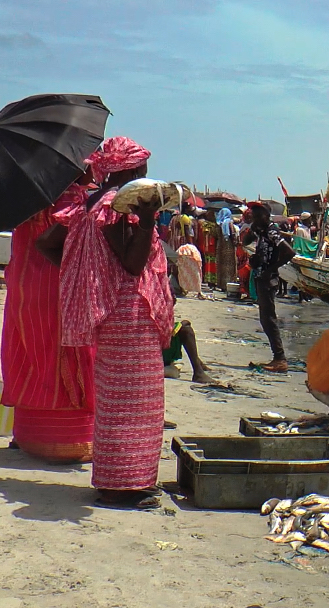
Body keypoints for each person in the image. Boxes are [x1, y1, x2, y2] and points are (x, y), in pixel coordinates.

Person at [58, 137, 174, 509]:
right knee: (136, 401)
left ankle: (119, 480)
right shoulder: (116, 206)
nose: (145, 175)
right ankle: (124, 485)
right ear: (129, 171)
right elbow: (132, 263)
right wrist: (149, 219)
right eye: (141, 169)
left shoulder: (94, 202)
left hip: (116, 311)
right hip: (128, 311)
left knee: (116, 399)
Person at [2, 179, 96, 464]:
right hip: (56, 282)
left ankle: (27, 434)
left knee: (28, 353)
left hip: (23, 281)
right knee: (65, 355)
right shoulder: (71, 196)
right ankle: (71, 439)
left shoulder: (22, 192)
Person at [242, 201, 294, 373]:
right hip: (261, 277)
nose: (255, 218)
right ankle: (278, 357)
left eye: (258, 215)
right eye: (253, 215)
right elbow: (245, 241)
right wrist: (253, 227)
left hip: (268, 279)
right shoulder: (261, 230)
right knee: (265, 319)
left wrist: (270, 270)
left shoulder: (272, 231)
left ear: (266, 215)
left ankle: (280, 359)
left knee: (269, 319)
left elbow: (289, 252)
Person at [215, 207, 238, 290]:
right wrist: (235, 241)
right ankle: (229, 283)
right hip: (229, 247)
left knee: (221, 265)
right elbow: (232, 234)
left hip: (220, 246)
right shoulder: (229, 223)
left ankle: (221, 284)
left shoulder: (218, 224)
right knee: (229, 265)